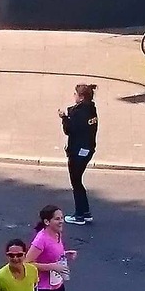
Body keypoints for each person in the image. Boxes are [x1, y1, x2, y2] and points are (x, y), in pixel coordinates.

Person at [58, 82, 98, 225]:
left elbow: (69, 130)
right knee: (78, 181)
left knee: (76, 182)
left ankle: (79, 215)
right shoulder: (91, 109)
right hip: (89, 149)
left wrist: (64, 118)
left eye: (75, 94)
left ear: (81, 97)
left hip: (77, 151)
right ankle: (85, 212)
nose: (73, 96)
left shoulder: (78, 112)